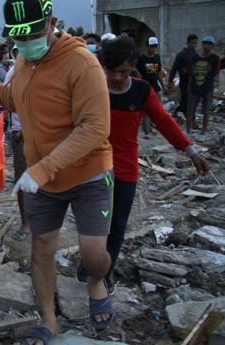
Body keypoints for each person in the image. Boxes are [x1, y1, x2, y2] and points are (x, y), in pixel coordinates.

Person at [0, 0, 114, 345]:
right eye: (19, 37)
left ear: (52, 23)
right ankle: (47, 318)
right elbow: (13, 98)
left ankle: (95, 281)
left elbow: (95, 127)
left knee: (93, 255)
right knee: (41, 248)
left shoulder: (82, 64)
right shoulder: (25, 63)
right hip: (43, 177)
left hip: (87, 172)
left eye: (32, 34)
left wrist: (41, 169)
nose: (25, 42)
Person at [76, 36, 209, 294]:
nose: (117, 77)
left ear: (133, 66)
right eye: (112, 71)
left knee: (116, 227)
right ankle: (88, 265)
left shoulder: (141, 91)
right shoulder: (92, 89)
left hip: (125, 171)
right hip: (92, 170)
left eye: (123, 71)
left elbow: (164, 121)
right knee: (94, 225)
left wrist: (190, 151)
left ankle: (104, 272)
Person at [4, 46, 30, 241]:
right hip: (20, 133)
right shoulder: (14, 72)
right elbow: (5, 99)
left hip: (48, 132)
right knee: (22, 178)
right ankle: (26, 222)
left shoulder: (53, 69)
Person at [187, 36, 221, 135]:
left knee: (206, 111)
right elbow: (191, 72)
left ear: (212, 46)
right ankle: (188, 130)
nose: (207, 46)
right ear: (202, 45)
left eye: (209, 44)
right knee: (190, 110)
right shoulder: (195, 57)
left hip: (207, 88)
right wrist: (189, 86)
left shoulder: (215, 58)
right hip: (195, 87)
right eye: (205, 43)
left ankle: (203, 131)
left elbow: (216, 71)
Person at [136, 36, 166, 135]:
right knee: (146, 110)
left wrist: (163, 86)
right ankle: (147, 130)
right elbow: (136, 72)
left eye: (155, 46)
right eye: (151, 46)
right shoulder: (141, 59)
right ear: (147, 47)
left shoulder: (157, 57)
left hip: (155, 87)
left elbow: (159, 73)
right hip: (145, 88)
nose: (153, 49)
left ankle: (155, 126)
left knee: (157, 109)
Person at [168, 34, 199, 120]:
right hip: (184, 81)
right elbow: (174, 68)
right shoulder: (181, 55)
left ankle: (180, 112)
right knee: (185, 99)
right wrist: (170, 81)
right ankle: (189, 118)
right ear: (187, 43)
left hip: (194, 82)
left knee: (192, 100)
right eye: (192, 43)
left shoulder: (197, 55)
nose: (194, 45)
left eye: (195, 43)